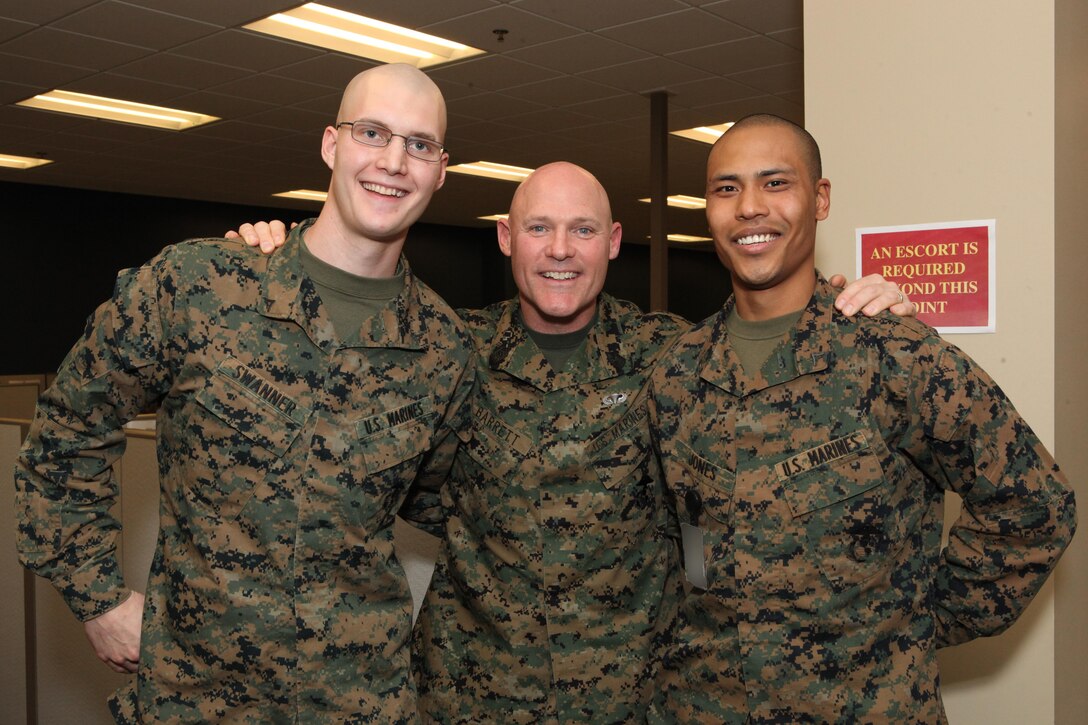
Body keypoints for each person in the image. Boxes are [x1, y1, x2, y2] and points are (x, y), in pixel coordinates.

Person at [234, 161, 912, 721]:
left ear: (613, 241)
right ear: (506, 238)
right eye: (540, 229)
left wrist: (860, 303)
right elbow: (347, 410)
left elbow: (772, 371)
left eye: (582, 230)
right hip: (472, 695)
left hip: (633, 696)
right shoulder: (443, 347)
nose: (560, 249)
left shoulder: (673, 354)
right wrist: (274, 257)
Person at [14, 63, 475, 723]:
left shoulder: (444, 347)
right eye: (372, 132)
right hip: (197, 696)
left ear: (439, 170)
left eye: (420, 145)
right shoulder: (201, 284)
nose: (394, 160)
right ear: (331, 145)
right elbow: (65, 430)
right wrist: (99, 597)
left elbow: (447, 503)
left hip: (358, 700)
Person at [646, 114, 1077, 723]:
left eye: (775, 183)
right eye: (726, 188)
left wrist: (912, 624)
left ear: (819, 200)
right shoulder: (676, 374)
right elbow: (668, 546)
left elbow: (1036, 506)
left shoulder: (895, 357)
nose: (749, 208)